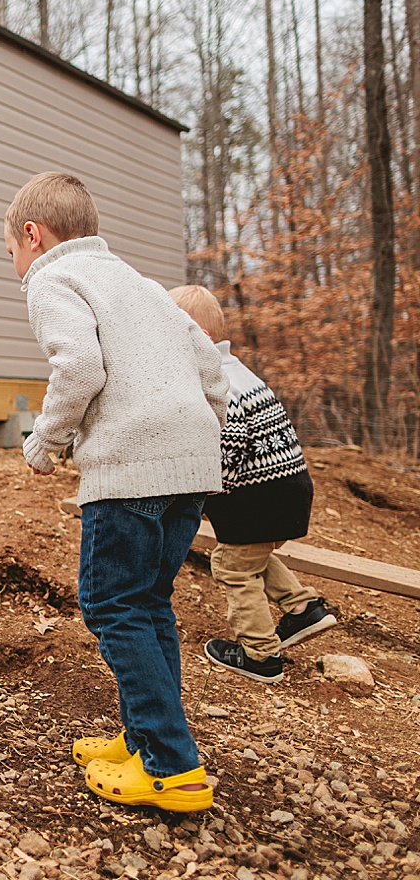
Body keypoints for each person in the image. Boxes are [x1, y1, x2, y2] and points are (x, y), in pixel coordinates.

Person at [5, 171, 227, 813]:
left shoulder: (52, 277)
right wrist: (204, 428)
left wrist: (46, 441)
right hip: (191, 463)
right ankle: (145, 741)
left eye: (13, 252)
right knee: (148, 602)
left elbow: (78, 367)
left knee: (111, 605)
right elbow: (207, 358)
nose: (16, 266)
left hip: (131, 466)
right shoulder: (138, 281)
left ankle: (171, 767)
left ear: (32, 234)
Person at [168, 285, 337, 684]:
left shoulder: (216, 382)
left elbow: (231, 440)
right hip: (287, 488)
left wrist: (209, 488)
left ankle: (260, 654)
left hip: (258, 495)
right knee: (250, 554)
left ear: (199, 337)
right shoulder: (239, 371)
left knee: (231, 566)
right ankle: (303, 609)